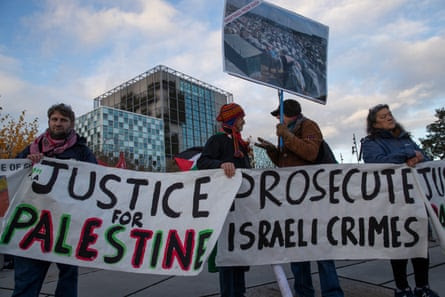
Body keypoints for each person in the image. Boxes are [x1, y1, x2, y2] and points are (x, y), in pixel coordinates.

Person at [256, 99, 344, 297]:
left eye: (279, 115)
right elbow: (285, 164)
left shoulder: (308, 125)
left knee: (321, 248)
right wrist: (272, 150)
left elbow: (311, 153)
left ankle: (332, 293)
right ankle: (303, 292)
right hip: (294, 200)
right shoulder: (289, 133)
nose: (278, 120)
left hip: (312, 198)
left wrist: (286, 136)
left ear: (288, 114)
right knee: (297, 249)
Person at [13, 103, 97, 297]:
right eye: (54, 119)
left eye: (63, 120)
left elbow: (95, 180)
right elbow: (13, 176)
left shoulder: (82, 152)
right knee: (26, 279)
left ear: (71, 124)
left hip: (67, 226)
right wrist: (29, 163)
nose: (58, 123)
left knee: (68, 276)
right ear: (49, 121)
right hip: (33, 224)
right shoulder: (30, 149)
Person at [361, 104, 439, 297]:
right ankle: (402, 288)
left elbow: (426, 158)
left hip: (415, 199)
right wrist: (406, 156)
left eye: (390, 114)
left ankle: (423, 287)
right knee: (399, 246)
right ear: (374, 123)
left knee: (419, 244)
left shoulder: (406, 138)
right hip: (392, 202)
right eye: (383, 116)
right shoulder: (370, 142)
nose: (389, 118)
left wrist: (417, 157)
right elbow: (376, 164)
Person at [197, 103, 250, 297]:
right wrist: (221, 164)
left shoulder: (242, 145)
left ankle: (240, 293)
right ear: (233, 120)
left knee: (239, 254)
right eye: (241, 118)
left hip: (242, 208)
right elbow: (203, 162)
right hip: (225, 207)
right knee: (228, 255)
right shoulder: (217, 140)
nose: (244, 121)